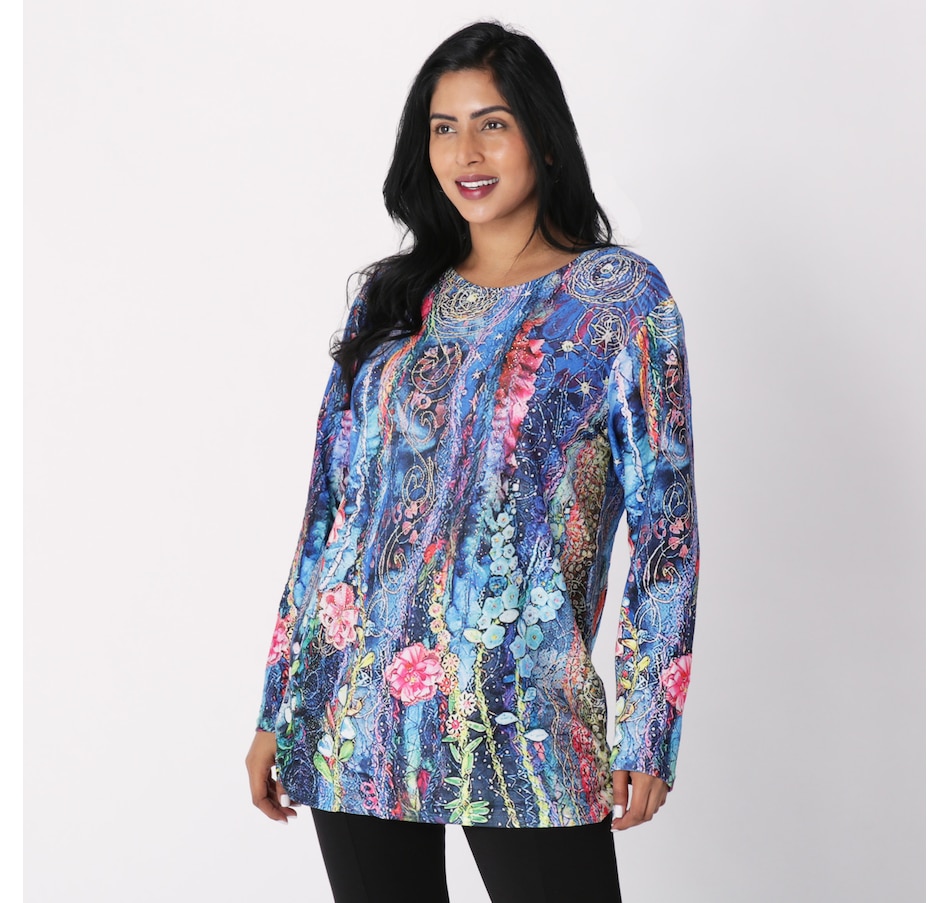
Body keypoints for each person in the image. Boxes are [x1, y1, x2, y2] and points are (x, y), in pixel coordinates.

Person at [246, 20, 698, 903]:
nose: (467, 152)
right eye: (444, 127)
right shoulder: (391, 300)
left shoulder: (617, 300)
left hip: (523, 715)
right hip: (355, 709)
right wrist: (278, 702)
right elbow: (329, 515)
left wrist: (652, 727)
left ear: (544, 138)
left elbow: (665, 537)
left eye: (493, 123)